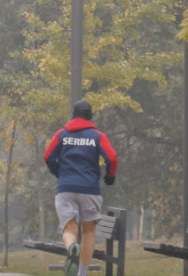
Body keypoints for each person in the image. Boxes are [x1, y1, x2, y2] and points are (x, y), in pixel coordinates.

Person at [43, 100, 117, 276]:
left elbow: (48, 157)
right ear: (90, 116)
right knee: (89, 231)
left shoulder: (61, 134)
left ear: (74, 115)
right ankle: (82, 273)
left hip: (66, 188)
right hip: (90, 189)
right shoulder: (97, 136)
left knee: (69, 229)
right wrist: (110, 175)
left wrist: (59, 173)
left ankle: (71, 248)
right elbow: (112, 158)